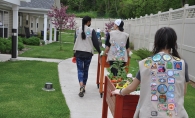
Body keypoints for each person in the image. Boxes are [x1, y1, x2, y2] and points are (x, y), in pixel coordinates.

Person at [111, 27, 189, 118]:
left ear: (156, 42)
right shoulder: (181, 64)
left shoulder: (146, 63)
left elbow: (132, 87)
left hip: (149, 114)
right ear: (174, 43)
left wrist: (120, 91)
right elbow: (183, 91)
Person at [73, 16, 101, 97]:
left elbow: (75, 41)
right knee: (86, 70)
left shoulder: (77, 30)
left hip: (79, 52)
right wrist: (99, 51)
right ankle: (84, 86)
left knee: (80, 70)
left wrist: (74, 52)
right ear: (88, 22)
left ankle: (81, 85)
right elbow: (96, 42)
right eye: (90, 21)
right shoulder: (91, 30)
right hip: (88, 53)